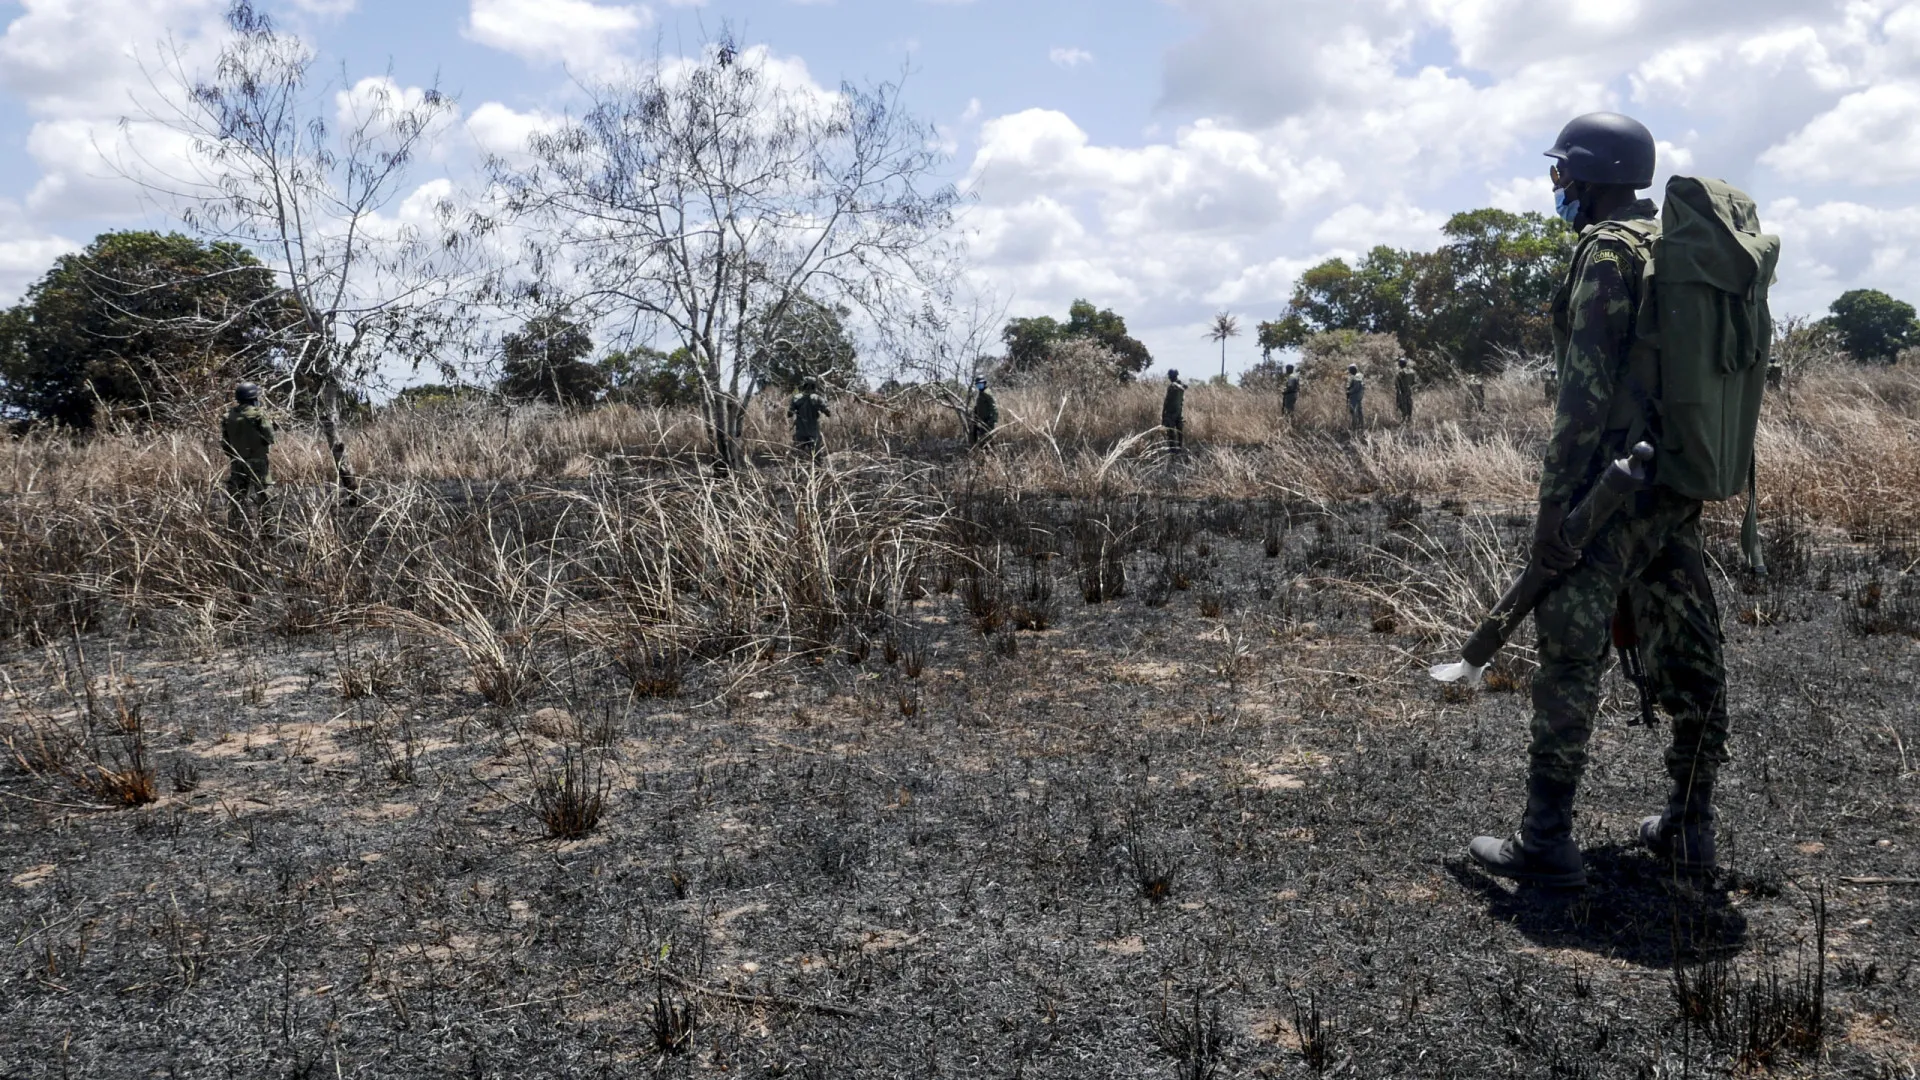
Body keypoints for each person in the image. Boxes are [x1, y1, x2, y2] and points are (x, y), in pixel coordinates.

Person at [1469, 112, 1730, 887]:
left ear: (1589, 176)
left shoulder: (1605, 251)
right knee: (1691, 648)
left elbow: (1582, 398)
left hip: (1608, 493)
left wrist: (1553, 515)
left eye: (1563, 174)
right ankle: (1691, 825)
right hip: (1676, 484)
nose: (1559, 187)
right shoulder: (1677, 250)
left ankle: (1545, 841)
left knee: (1569, 657)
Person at [221, 381, 274, 521]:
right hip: (258, 460)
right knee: (265, 494)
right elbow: (269, 436)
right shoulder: (258, 414)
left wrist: (234, 455)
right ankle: (269, 529)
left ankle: (235, 528)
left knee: (236, 496)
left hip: (237, 461)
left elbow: (225, 442)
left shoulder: (228, 416)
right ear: (254, 397)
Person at [788, 376, 831, 459]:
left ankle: (796, 471)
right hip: (813, 432)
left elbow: (789, 414)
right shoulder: (818, 398)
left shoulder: (796, 398)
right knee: (816, 457)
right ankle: (816, 471)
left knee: (797, 456)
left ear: (803, 385)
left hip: (800, 431)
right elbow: (828, 413)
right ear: (814, 386)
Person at [1161, 369, 1188, 452]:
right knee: (1179, 431)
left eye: (1170, 376)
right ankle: (1178, 447)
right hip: (1177, 412)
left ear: (1171, 376)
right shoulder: (1179, 385)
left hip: (1171, 413)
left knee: (1171, 431)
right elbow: (1185, 387)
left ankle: (1174, 449)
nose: (1169, 378)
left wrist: (1163, 414)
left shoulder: (1174, 385)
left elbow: (1166, 402)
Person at [968, 377, 998, 449]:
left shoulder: (986, 392)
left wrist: (993, 419)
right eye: (978, 384)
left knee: (986, 440)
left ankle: (989, 455)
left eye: (980, 384)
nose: (979, 385)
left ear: (984, 383)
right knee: (980, 438)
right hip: (981, 420)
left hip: (987, 421)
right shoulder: (981, 393)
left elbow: (994, 407)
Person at [1395, 358, 1415, 423]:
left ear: (1400, 364)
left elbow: (1397, 383)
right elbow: (1414, 382)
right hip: (1409, 390)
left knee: (1402, 405)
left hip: (1402, 391)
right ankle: (1409, 418)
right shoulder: (1411, 371)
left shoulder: (1401, 372)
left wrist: (1398, 392)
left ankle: (1404, 419)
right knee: (1409, 404)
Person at [1345, 364, 1365, 430]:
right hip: (1358, 397)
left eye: (1350, 370)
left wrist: (1349, 392)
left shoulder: (1357, 377)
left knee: (1354, 412)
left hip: (1355, 397)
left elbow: (1356, 388)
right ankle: (1361, 426)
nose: (1350, 372)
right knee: (1359, 412)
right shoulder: (1358, 376)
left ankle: (1354, 427)